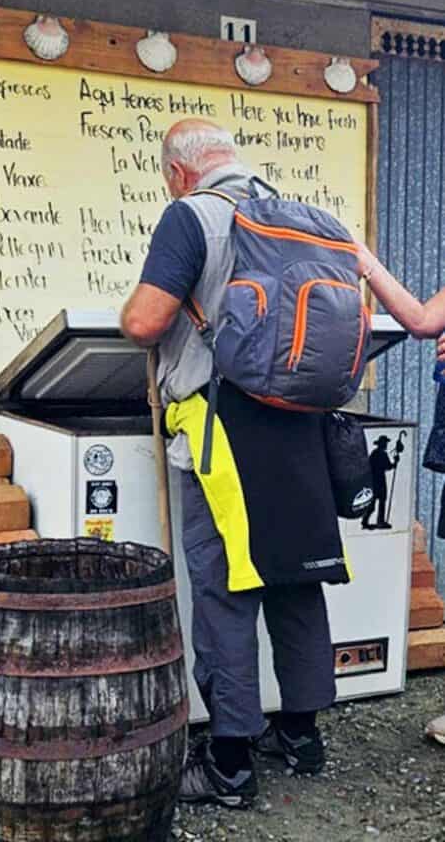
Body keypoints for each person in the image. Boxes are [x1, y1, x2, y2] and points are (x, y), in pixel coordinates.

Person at [121, 119, 349, 810]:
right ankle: (302, 736)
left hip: (223, 428)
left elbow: (144, 322)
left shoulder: (190, 216)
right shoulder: (309, 219)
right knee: (292, 579)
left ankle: (228, 764)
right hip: (301, 426)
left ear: (178, 172)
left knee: (224, 590)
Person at [364, 436, 397, 530]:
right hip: (377, 481)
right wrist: (394, 463)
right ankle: (367, 521)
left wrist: (394, 462)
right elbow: (388, 466)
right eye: (385, 443)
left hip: (377, 480)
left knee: (380, 502)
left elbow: (388, 466)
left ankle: (378, 521)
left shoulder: (379, 454)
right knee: (375, 503)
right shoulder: (378, 454)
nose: (386, 445)